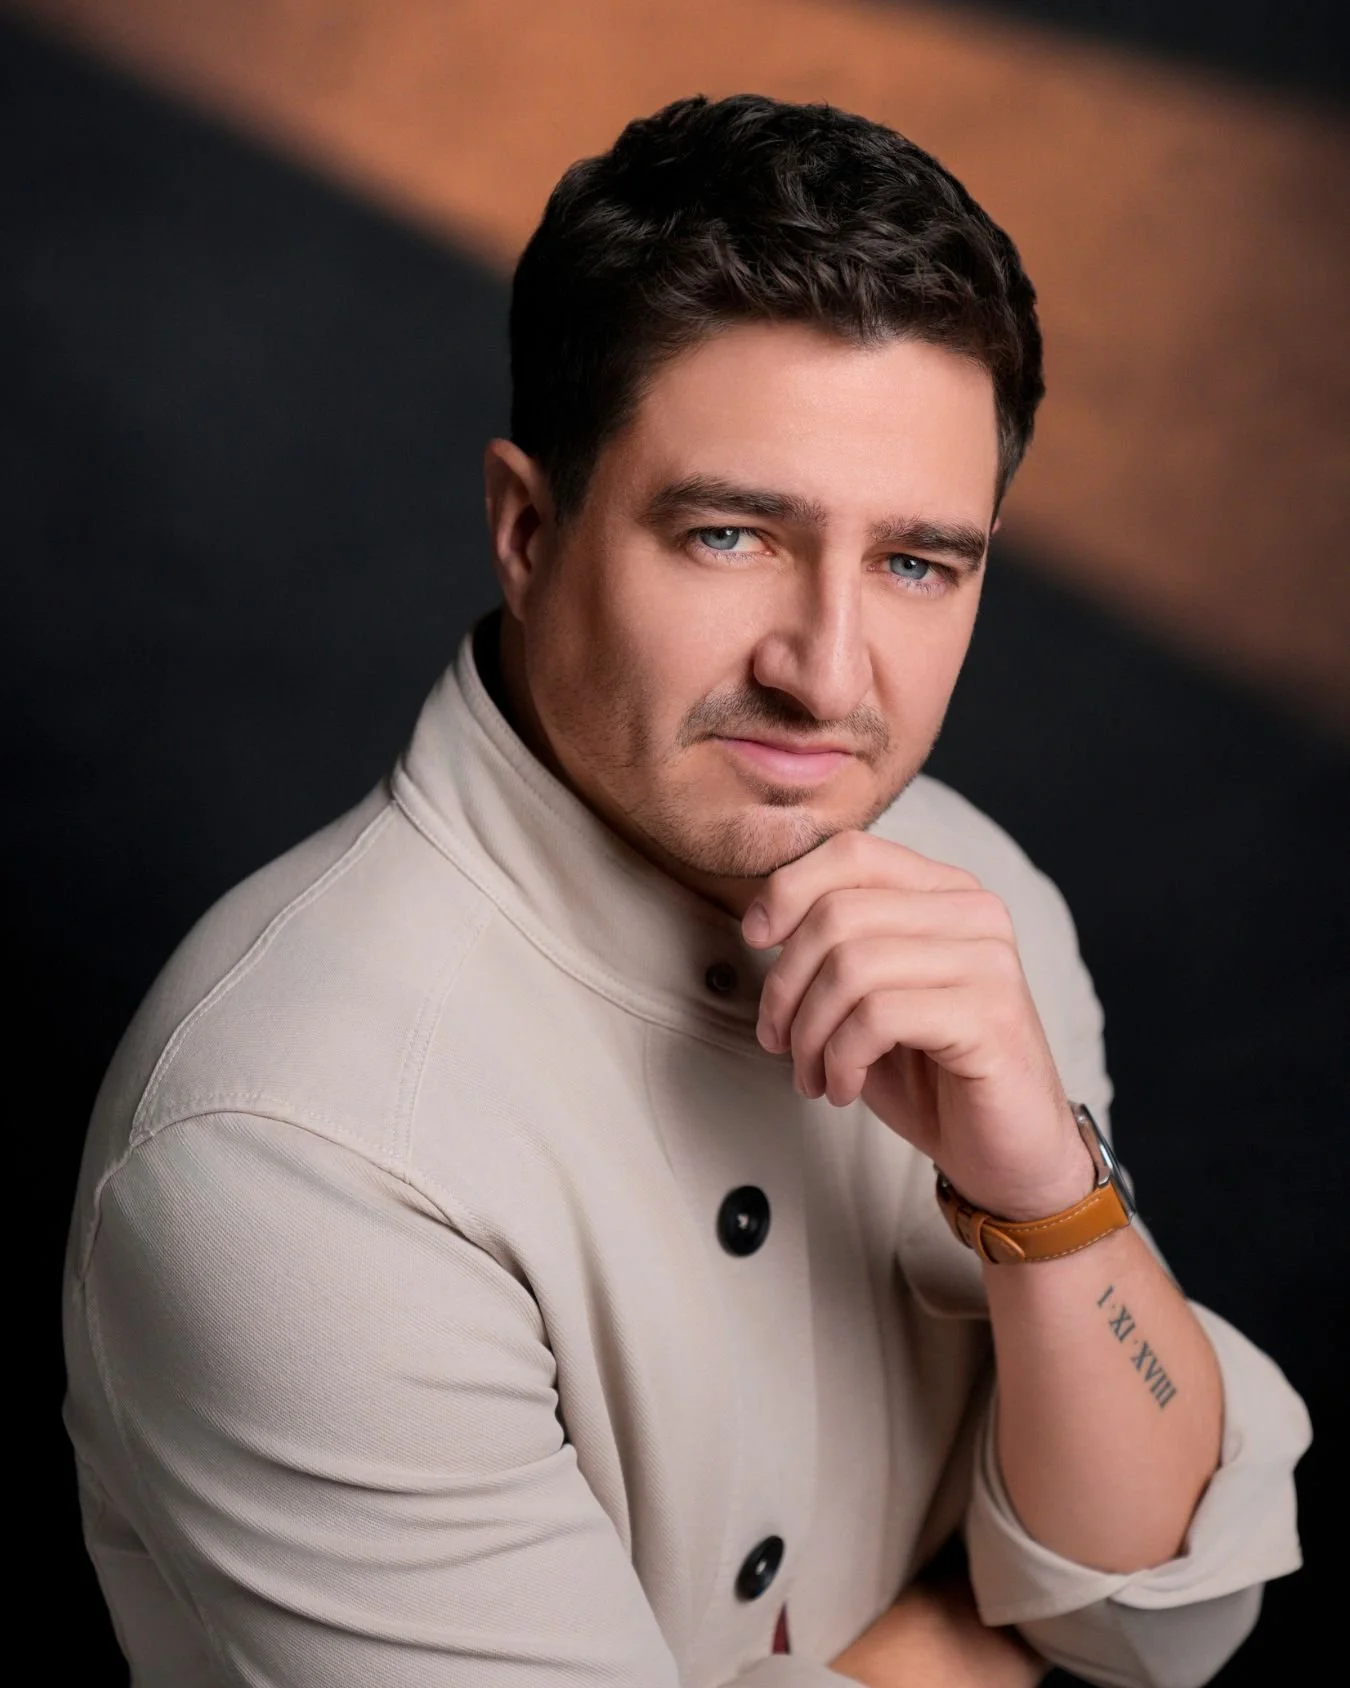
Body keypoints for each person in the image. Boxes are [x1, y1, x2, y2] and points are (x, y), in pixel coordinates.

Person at [63, 94, 1310, 1688]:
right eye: (730, 536)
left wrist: (1043, 1198)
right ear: (528, 527)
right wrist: (949, 1653)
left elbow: (1158, 1618)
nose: (826, 675)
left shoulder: (970, 893)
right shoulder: (287, 1143)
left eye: (916, 564)